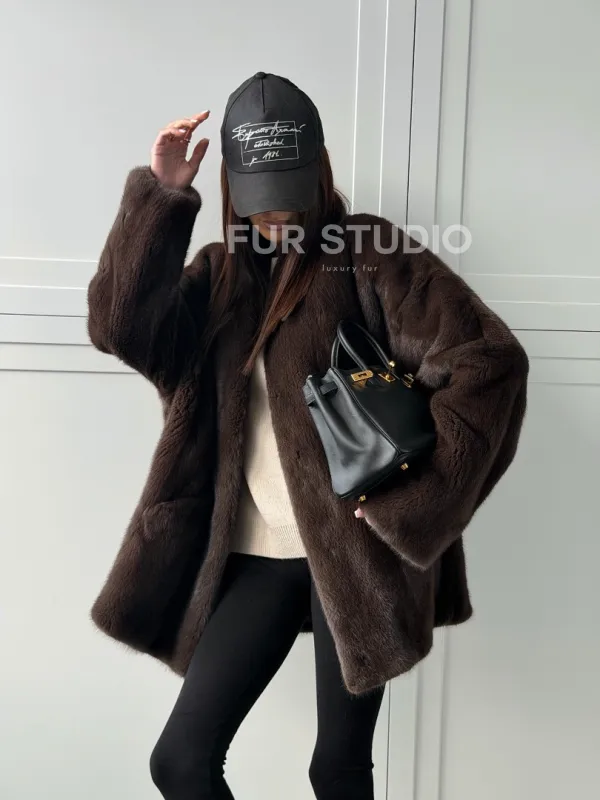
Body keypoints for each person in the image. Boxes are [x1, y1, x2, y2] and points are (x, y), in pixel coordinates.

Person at [86, 72, 529, 800]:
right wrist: (161, 199)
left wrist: (415, 506)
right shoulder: (218, 276)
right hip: (260, 556)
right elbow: (120, 329)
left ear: (319, 168)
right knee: (181, 762)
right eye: (261, 195)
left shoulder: (367, 251)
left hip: (358, 551)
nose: (278, 212)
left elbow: (488, 362)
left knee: (337, 769)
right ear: (233, 185)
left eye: (291, 190)